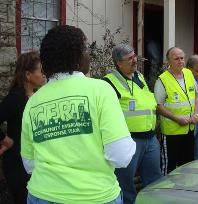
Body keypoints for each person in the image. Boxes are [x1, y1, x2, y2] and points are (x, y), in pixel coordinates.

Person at [21, 25, 136, 204]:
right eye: (85, 49)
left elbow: (29, 163)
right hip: (94, 196)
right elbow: (121, 156)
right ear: (77, 55)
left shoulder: (33, 101)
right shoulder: (100, 90)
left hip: (41, 194)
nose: (88, 54)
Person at [103, 44, 161, 204]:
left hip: (150, 138)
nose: (134, 60)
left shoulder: (139, 76)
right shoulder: (109, 82)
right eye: (129, 58)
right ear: (118, 63)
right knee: (125, 182)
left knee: (154, 179)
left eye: (134, 56)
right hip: (129, 140)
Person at [0, 51, 45, 204]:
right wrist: (6, 140)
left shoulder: (39, 96)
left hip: (35, 164)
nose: (44, 74)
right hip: (17, 165)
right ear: (28, 75)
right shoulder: (16, 99)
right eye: (40, 70)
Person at [154, 47, 198, 174]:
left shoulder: (189, 73)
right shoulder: (162, 80)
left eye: (182, 58)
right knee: (169, 168)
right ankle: (166, 193)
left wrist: (196, 113)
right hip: (171, 133)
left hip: (189, 129)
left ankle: (185, 191)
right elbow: (159, 106)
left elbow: (196, 96)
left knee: (188, 166)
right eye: (176, 59)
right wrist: (176, 118)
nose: (180, 61)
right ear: (168, 62)